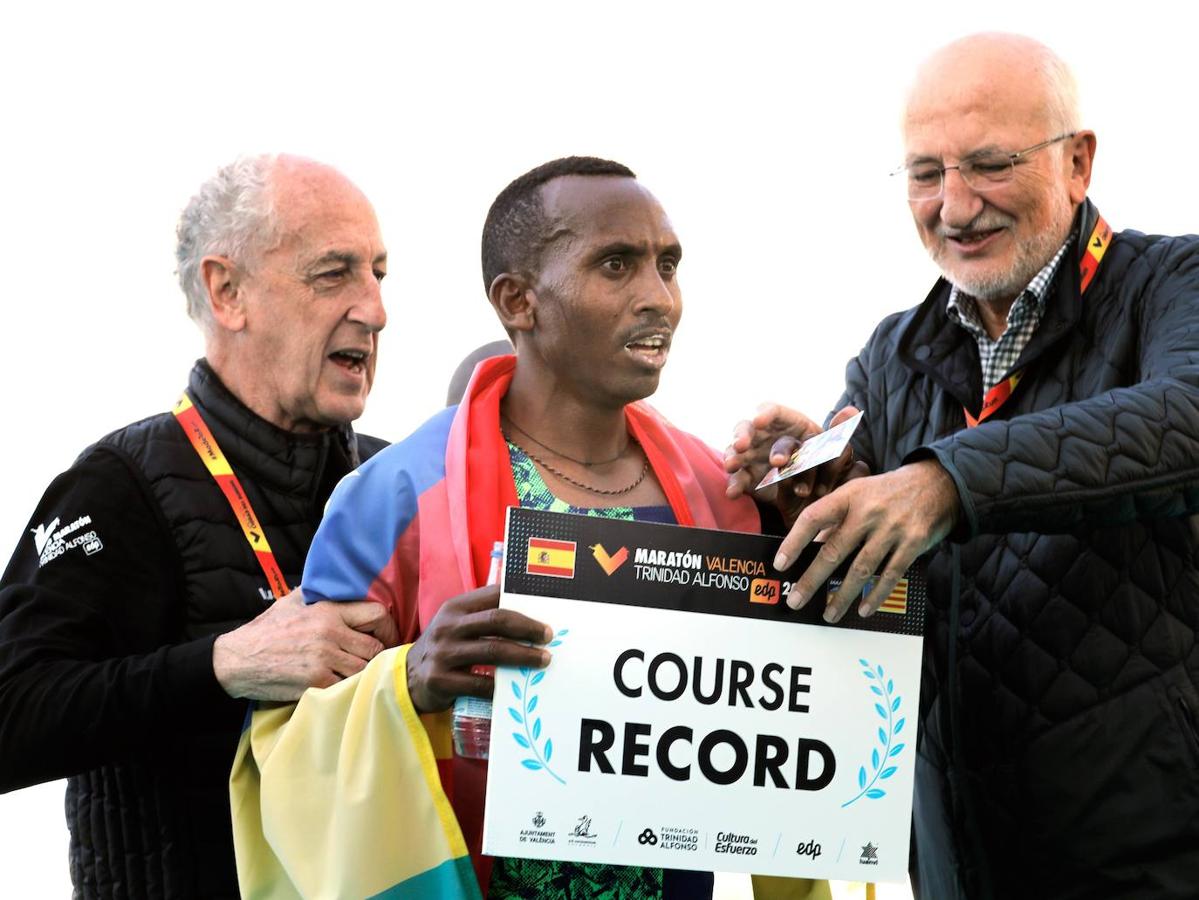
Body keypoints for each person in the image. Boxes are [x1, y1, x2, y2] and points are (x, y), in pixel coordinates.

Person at [233, 157, 837, 900]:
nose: (659, 299)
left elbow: (804, 716)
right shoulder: (396, 496)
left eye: (667, 265)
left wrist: (818, 518)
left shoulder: (722, 495)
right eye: (616, 265)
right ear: (518, 300)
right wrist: (406, 684)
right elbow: (285, 744)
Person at [726, 33, 1199, 899]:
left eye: (988, 163)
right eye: (924, 172)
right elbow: (848, 604)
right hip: (957, 867)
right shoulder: (888, 356)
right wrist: (804, 489)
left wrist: (945, 482)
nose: (953, 204)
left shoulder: (1174, 281)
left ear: (1077, 162)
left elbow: (1186, 418)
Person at [0, 154, 398, 899]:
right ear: (228, 292)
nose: (375, 309)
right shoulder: (118, 484)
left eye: (380, 272)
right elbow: (11, 716)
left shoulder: (398, 485)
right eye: (333, 274)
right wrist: (220, 666)